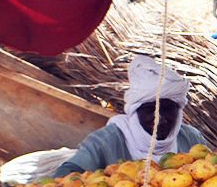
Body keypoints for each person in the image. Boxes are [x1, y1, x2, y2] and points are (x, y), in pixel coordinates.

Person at [54, 56, 206, 178]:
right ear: (135, 111)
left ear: (178, 110)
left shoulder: (191, 139)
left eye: (167, 109)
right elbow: (67, 173)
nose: (160, 118)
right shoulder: (105, 141)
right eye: (150, 110)